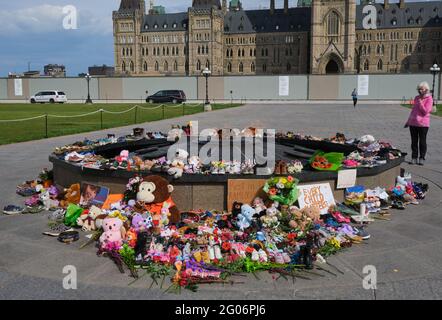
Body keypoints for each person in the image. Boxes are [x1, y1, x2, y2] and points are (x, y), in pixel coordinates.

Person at [404, 81, 433, 166]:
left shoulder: (429, 99)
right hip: (413, 123)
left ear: (426, 89)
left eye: (422, 89)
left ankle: (422, 158)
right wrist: (408, 121)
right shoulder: (416, 97)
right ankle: (414, 157)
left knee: (422, 141)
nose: (420, 90)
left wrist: (420, 102)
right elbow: (413, 111)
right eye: (419, 89)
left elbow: (425, 111)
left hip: (423, 124)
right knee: (414, 141)